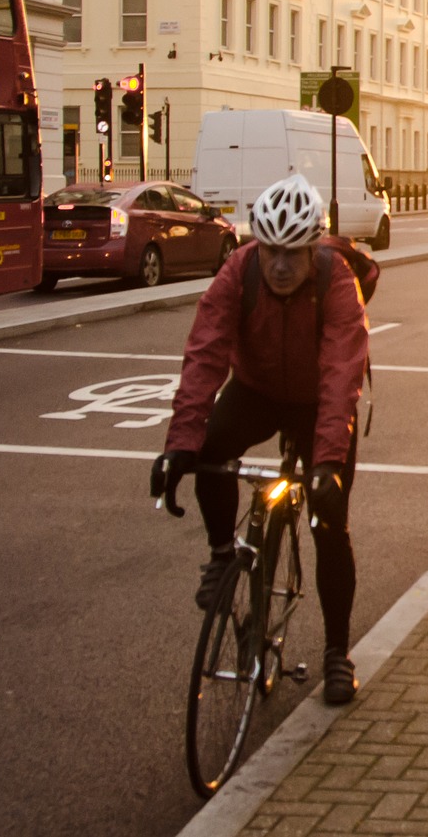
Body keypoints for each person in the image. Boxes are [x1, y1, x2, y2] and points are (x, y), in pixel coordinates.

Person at [150, 174, 370, 704]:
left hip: (318, 399)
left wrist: (326, 465)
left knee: (329, 524)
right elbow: (205, 353)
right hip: (258, 390)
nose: (279, 265)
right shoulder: (238, 272)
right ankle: (223, 555)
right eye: (270, 250)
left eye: (292, 254)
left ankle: (337, 653)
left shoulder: (337, 281)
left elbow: (342, 375)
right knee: (207, 451)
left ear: (312, 247)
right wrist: (178, 445)